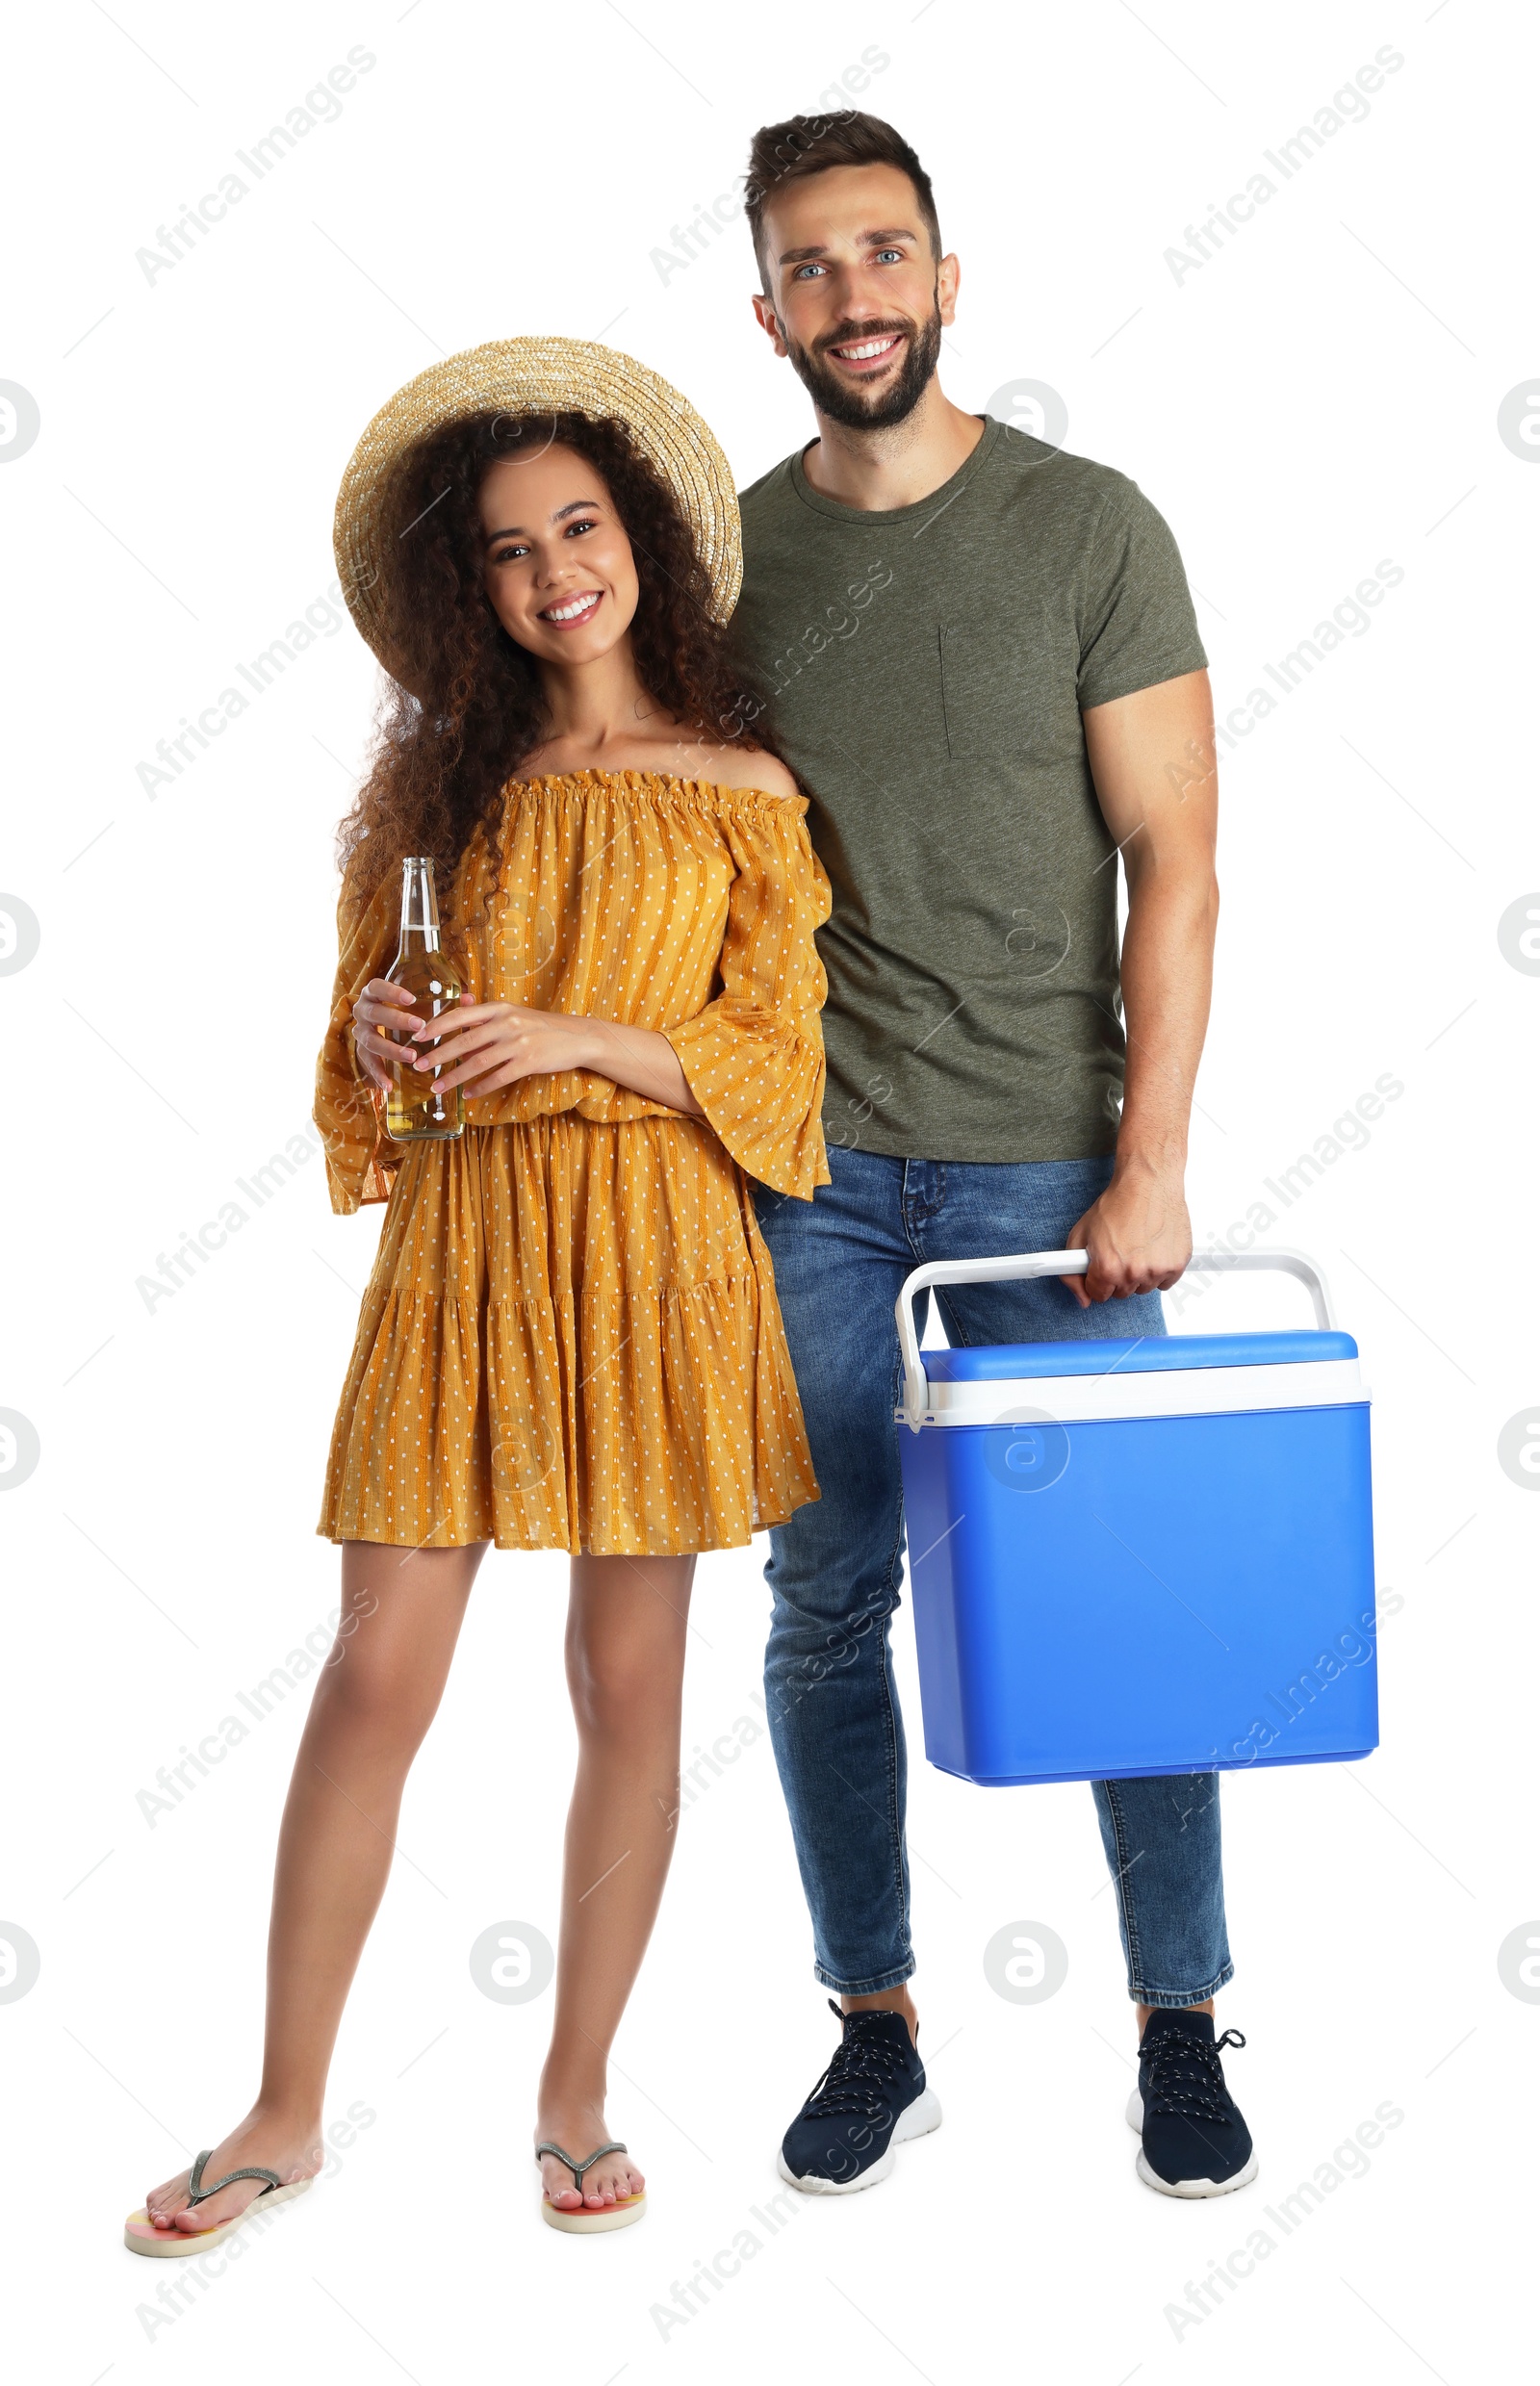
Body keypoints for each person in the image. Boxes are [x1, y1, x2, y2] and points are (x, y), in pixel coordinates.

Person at [123, 340, 831, 2254]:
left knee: (623, 1688)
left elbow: (772, 1068)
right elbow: (371, 1060)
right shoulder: (443, 789)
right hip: (465, 1250)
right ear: (474, 587)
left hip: (660, 1247)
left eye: (578, 528)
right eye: (508, 550)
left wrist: (580, 1033)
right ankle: (283, 2105)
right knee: (371, 1675)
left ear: (643, 544)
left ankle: (576, 2087)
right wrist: (375, 1026)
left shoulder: (744, 788)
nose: (551, 573)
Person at [732, 114, 1254, 2199]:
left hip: (1052, 1164)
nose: (852, 294)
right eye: (809, 264)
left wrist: (1147, 1163)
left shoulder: (1085, 524)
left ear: (946, 282)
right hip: (816, 1173)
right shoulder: (727, 557)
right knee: (820, 1589)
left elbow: (1180, 863)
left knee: (1118, 1591)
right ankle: (873, 2021)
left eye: (884, 253)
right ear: (762, 307)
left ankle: (1179, 2018)